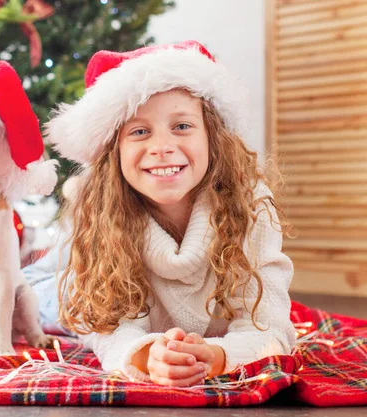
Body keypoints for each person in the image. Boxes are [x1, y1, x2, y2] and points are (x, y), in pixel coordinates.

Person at [24, 41, 296, 387]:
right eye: (139, 131)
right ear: (115, 151)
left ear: (213, 138)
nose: (162, 147)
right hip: (58, 288)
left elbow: (270, 327)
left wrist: (215, 356)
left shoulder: (251, 206)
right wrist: (144, 356)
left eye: (182, 126)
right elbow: (106, 326)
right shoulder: (103, 215)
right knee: (38, 296)